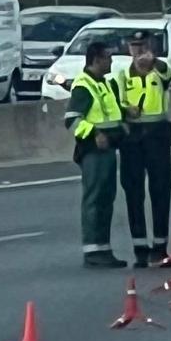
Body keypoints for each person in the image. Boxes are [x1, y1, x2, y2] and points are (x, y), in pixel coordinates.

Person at [113, 30, 171, 267]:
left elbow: (169, 75)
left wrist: (154, 62)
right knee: (133, 192)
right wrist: (126, 110)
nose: (138, 51)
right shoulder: (121, 75)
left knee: (160, 190)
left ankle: (160, 247)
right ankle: (140, 248)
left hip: (157, 136)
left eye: (143, 46)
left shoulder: (160, 71)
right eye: (134, 46)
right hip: (132, 138)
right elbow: (116, 101)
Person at [64, 40, 127, 268]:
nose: (111, 61)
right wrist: (94, 134)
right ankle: (92, 250)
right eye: (108, 57)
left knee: (106, 199)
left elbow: (111, 111)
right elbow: (71, 119)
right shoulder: (84, 85)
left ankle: (104, 248)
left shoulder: (105, 83)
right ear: (97, 60)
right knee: (95, 199)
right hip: (94, 151)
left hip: (109, 148)